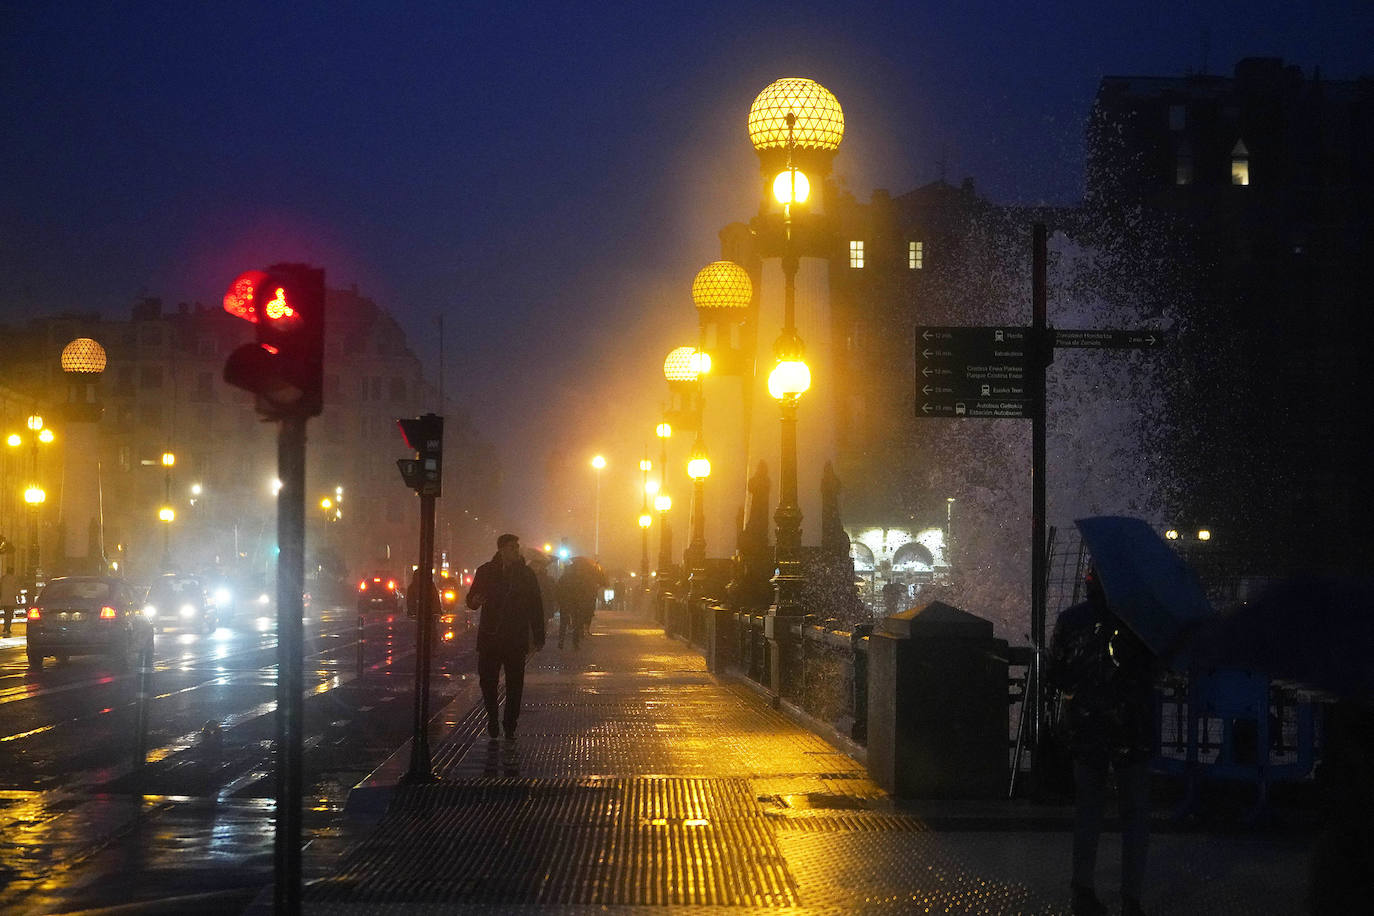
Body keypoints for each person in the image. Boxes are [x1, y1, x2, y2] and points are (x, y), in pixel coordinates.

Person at [1048, 566, 1156, 916]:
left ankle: (1082, 889)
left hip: (1087, 728)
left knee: (1088, 810)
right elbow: (1155, 670)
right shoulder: (1140, 622)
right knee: (1135, 813)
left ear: (1089, 582)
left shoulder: (1070, 620)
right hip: (1131, 728)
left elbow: (1057, 674)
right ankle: (1132, 897)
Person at [466, 534, 545, 740]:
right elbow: (471, 599)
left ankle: (510, 724)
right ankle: (492, 718)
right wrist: (475, 600)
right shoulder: (485, 571)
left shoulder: (526, 574)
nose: (516, 551)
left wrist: (538, 635)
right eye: (511, 547)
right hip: (490, 636)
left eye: (517, 547)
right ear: (501, 549)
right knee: (488, 682)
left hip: (515, 637)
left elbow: (535, 606)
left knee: (515, 684)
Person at [555, 557, 599, 649]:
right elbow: (585, 592)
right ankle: (575, 643)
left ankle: (561, 641)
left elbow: (558, 590)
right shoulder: (581, 579)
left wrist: (559, 601)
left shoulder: (564, 578)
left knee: (563, 623)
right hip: (576, 603)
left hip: (565, 602)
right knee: (576, 623)